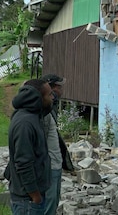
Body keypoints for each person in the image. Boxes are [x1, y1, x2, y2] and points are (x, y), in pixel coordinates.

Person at [5, 78, 54, 215]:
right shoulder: (25, 124)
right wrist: (35, 196)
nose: (53, 97)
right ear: (39, 98)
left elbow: (46, 109)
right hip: (28, 201)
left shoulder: (32, 116)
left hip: (31, 199)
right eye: (49, 95)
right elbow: (23, 163)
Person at [39, 74, 74, 215]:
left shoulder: (51, 107)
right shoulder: (43, 112)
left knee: (52, 204)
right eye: (58, 87)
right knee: (48, 204)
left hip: (54, 164)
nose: (60, 91)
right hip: (48, 166)